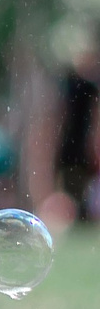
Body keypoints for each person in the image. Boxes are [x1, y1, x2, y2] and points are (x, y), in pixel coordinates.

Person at [58, 33, 100, 226]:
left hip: (80, 145)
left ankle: (83, 217)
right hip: (69, 145)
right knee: (68, 185)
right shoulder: (69, 83)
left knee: (83, 186)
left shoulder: (88, 85)